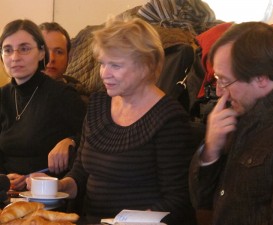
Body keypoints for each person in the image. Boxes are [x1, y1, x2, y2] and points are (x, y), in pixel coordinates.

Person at [28, 18, 197, 225]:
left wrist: (124, 222)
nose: (104, 74)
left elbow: (178, 201)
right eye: (102, 63)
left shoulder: (169, 119)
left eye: (115, 65)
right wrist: (60, 187)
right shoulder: (99, 104)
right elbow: (81, 172)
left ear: (146, 65)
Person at [189, 21, 273, 225]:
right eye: (216, 79)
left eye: (225, 80)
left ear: (261, 79)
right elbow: (200, 201)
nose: (220, 91)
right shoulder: (241, 107)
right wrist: (211, 151)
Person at [0, 19, 86, 191]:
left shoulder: (63, 95)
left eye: (24, 49)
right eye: (7, 50)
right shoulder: (2, 96)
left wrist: (71, 140)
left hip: (46, 194)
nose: (15, 57)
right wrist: (4, 179)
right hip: (6, 193)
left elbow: (91, 141)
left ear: (41, 53)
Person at [39, 22, 89, 103]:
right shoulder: (14, 95)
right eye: (44, 51)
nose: (51, 58)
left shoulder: (77, 100)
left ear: (68, 59)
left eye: (59, 52)